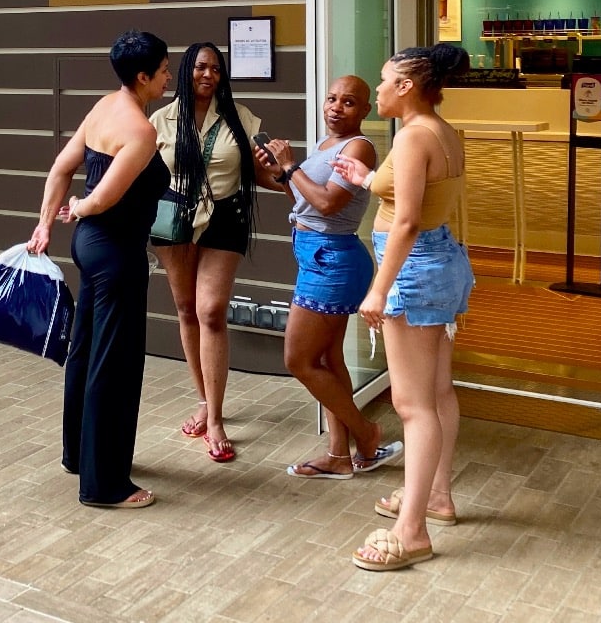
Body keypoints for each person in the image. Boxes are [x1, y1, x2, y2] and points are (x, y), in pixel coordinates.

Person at [333, 44, 475, 572]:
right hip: (441, 261)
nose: (380, 86)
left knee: (413, 406)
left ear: (408, 86)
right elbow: (418, 198)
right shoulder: (440, 131)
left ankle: (411, 531)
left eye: (386, 78)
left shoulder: (414, 137)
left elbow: (409, 221)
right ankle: (435, 497)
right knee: (438, 393)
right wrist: (367, 179)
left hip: (415, 266)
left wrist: (378, 289)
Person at [29, 30, 171, 509]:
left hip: (89, 248)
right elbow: (106, 194)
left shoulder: (102, 106)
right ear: (143, 76)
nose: (170, 76)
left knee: (86, 351)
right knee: (116, 361)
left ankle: (80, 456)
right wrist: (81, 208)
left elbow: (61, 167)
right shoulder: (140, 129)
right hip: (115, 252)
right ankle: (106, 485)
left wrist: (46, 225)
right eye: (165, 69)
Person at [255, 76, 402, 480]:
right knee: (326, 358)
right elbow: (304, 202)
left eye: (349, 102)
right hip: (316, 255)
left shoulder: (359, 147)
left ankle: (366, 434)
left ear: (365, 111)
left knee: (298, 360)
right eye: (332, 99)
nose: (337, 107)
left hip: (333, 260)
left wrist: (289, 166)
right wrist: (281, 174)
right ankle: (339, 455)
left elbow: (328, 202)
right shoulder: (324, 146)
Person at [150, 41, 277, 462]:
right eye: (200, 67)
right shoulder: (161, 120)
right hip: (174, 221)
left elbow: (261, 174)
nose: (208, 75)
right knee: (186, 310)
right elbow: (140, 171)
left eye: (216, 69)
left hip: (225, 218)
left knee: (210, 311)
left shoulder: (240, 118)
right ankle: (204, 401)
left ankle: (218, 418)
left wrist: (290, 176)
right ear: (186, 72)